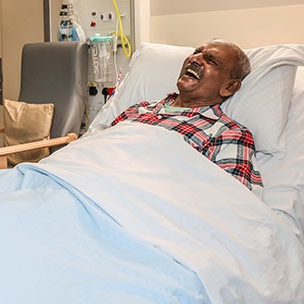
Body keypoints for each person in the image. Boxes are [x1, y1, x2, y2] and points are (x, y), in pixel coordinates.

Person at [109, 39, 263, 195]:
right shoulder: (138, 110)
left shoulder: (228, 133)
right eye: (196, 53)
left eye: (211, 61)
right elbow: (100, 147)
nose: (194, 59)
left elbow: (233, 199)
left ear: (229, 87)